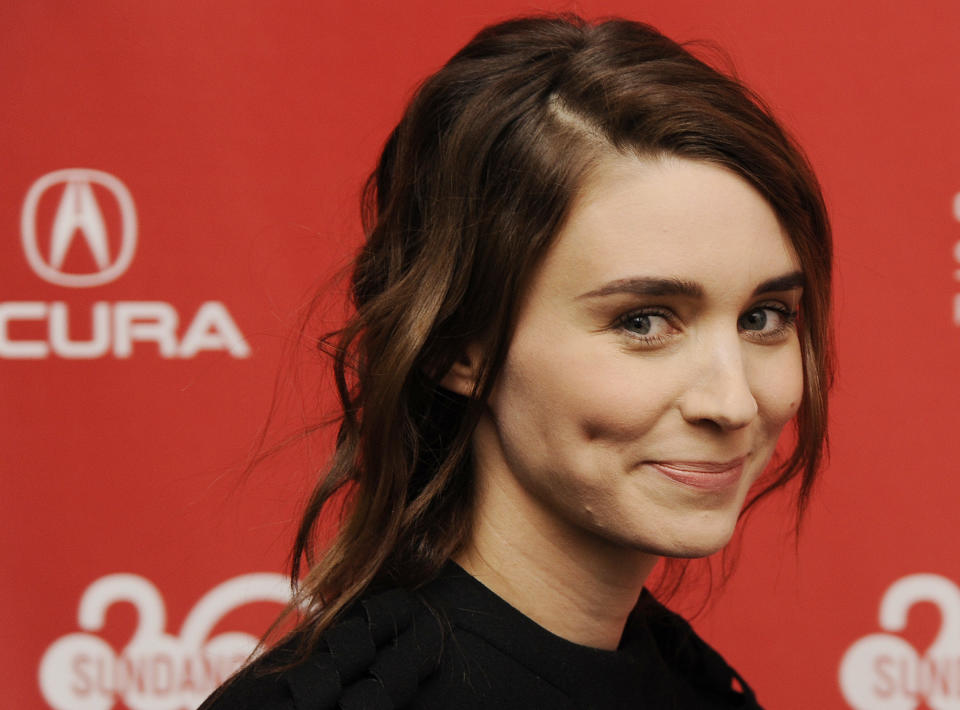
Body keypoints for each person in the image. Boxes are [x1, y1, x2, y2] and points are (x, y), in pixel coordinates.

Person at [201, 13, 832, 710]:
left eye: (762, 318)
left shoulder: (695, 686)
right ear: (455, 345)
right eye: (644, 321)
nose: (735, 401)